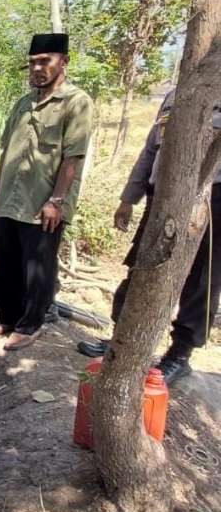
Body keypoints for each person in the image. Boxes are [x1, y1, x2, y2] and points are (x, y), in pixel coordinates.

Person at [78, 91, 221, 385]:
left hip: (213, 199)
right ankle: (120, 344)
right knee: (141, 268)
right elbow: (150, 152)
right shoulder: (177, 94)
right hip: (163, 195)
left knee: (201, 279)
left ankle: (179, 356)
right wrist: (130, 197)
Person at [0, 33, 94, 350]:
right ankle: (8, 319)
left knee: (37, 268)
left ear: (64, 62)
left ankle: (30, 326)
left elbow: (72, 157)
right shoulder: (23, 103)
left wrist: (56, 201)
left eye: (45, 61)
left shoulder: (75, 103)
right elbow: (6, 150)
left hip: (42, 202)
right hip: (10, 198)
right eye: (33, 63)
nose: (37, 68)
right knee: (4, 263)